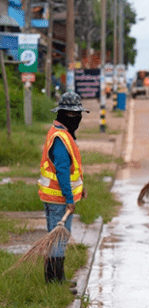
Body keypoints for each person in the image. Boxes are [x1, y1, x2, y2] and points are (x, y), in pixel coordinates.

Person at [38, 92, 89, 289]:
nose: (77, 118)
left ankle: (55, 279)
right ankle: (55, 281)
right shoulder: (60, 138)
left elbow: (70, 169)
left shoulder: (61, 133)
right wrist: (69, 198)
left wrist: (80, 188)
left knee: (56, 237)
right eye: (74, 115)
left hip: (56, 197)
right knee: (58, 239)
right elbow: (61, 171)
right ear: (66, 115)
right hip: (58, 199)